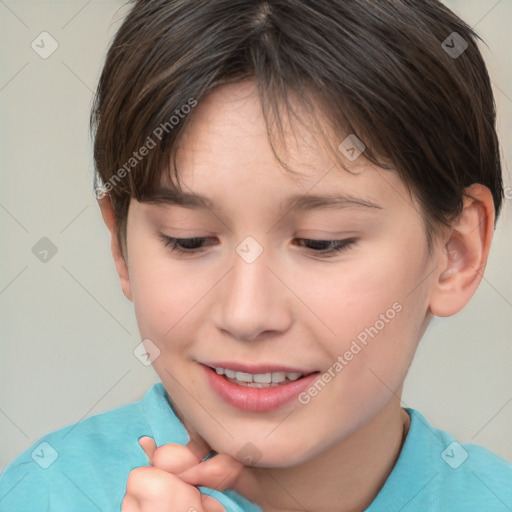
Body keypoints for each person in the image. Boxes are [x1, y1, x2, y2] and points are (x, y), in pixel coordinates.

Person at [1, 0, 510, 511]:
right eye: (188, 240)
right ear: (121, 245)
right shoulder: (43, 493)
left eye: (321, 242)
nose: (246, 315)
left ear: (455, 252)